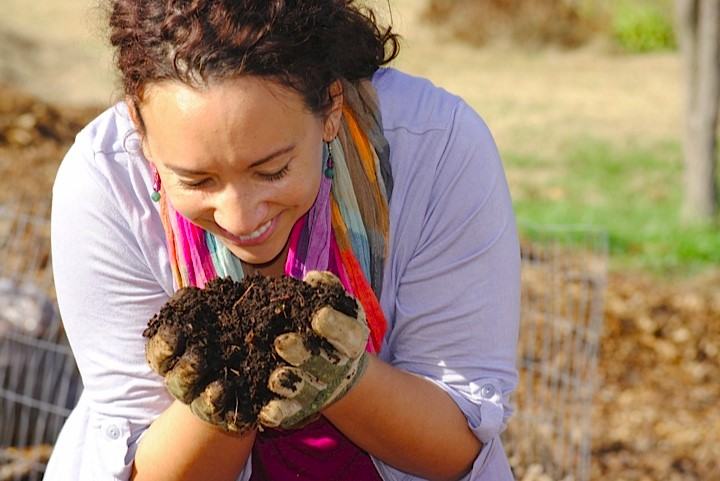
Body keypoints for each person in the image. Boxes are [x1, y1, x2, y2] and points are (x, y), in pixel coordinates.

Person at [45, 1, 520, 480]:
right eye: (197, 181)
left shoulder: (436, 148)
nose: (240, 218)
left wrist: (346, 380)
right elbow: (145, 469)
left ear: (330, 108)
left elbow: (456, 449)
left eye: (272, 170)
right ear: (142, 132)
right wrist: (222, 396)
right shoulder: (104, 182)